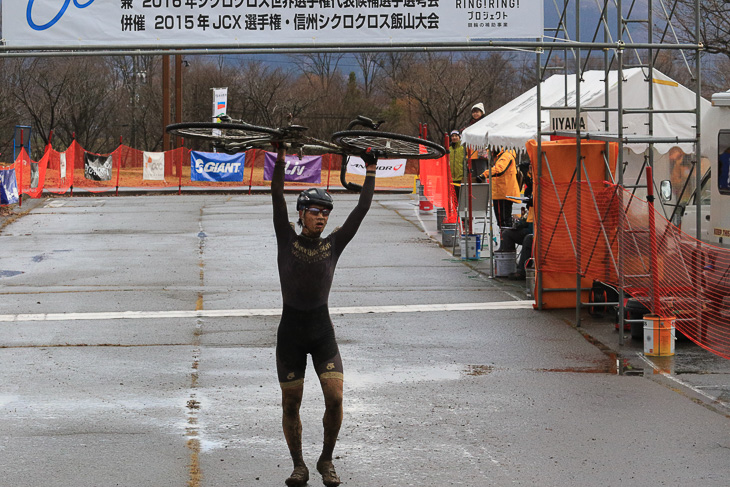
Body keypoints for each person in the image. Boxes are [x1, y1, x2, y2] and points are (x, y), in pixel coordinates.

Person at [271, 143, 377, 487]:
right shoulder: (285, 238)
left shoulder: (334, 244)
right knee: (292, 404)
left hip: (321, 331)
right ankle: (298, 465)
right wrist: (281, 156)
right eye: (316, 211)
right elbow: (276, 196)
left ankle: (326, 459)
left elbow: (361, 209)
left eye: (326, 213)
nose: (322, 217)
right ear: (302, 213)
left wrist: (371, 169)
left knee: (335, 397)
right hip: (290, 333)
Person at [498, 171, 534, 280]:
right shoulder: (531, 186)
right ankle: (508, 266)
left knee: (528, 239)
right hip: (528, 226)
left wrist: (522, 223)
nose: (530, 171)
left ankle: (521, 271)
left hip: (533, 230)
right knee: (507, 233)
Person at [477, 147, 520, 229]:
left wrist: (484, 175)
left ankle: (505, 239)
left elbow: (499, 169)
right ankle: (504, 238)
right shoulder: (501, 156)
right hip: (500, 193)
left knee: (504, 221)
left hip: (504, 193)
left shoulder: (506, 156)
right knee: (502, 221)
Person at [449, 130, 466, 203]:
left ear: (459, 137)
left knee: (461, 198)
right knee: (453, 198)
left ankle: (460, 212)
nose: (454, 138)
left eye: (456, 136)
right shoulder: (449, 149)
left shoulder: (463, 148)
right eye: (452, 136)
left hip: (461, 177)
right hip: (451, 178)